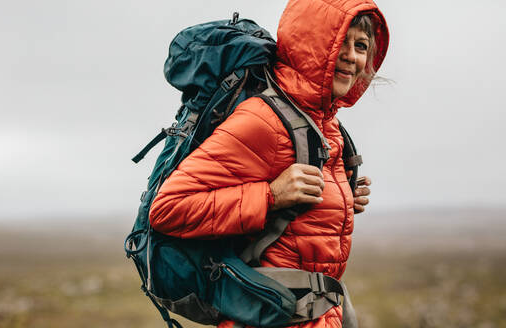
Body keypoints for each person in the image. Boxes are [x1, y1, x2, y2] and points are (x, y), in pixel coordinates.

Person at [149, 0, 389, 327]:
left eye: (361, 46)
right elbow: (168, 208)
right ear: (312, 45)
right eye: (339, 42)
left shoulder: (326, 126)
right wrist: (271, 195)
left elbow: (296, 230)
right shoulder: (263, 120)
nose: (352, 56)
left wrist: (343, 198)